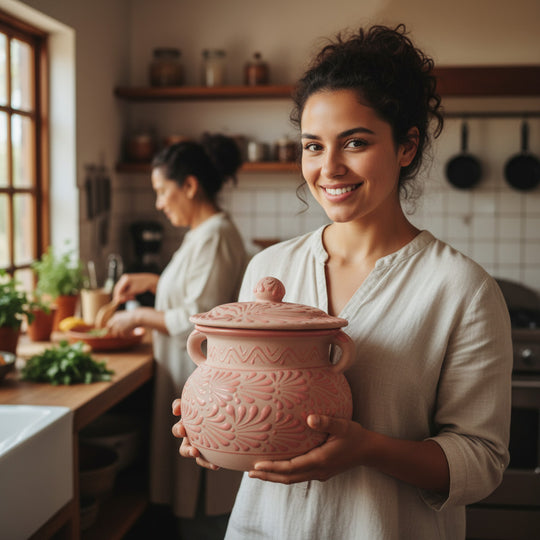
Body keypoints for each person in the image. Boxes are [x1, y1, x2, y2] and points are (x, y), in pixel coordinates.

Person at [171, 25, 513, 540]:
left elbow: (482, 461)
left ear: (406, 146)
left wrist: (367, 449)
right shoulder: (269, 268)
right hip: (264, 528)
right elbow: (242, 399)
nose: (329, 168)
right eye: (313, 146)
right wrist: (212, 424)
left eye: (355, 142)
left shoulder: (461, 289)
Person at [108, 134, 247, 539]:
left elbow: (201, 319)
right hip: (188, 385)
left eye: (161, 191)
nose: (158, 203)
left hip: (204, 389)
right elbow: (194, 293)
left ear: (189, 185)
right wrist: (150, 281)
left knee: (204, 506)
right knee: (193, 495)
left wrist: (140, 318)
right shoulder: (202, 233)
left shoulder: (215, 235)